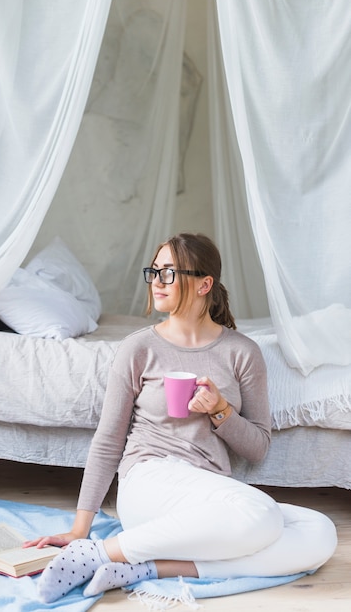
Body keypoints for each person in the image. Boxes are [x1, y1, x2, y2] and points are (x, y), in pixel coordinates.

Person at [24, 232, 337, 604]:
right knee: (262, 514)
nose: (156, 282)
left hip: (208, 496)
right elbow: (108, 442)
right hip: (149, 480)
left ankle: (144, 566)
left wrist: (220, 410)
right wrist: (80, 528)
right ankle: (97, 552)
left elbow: (258, 450)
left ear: (205, 284)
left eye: (169, 272)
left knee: (319, 531)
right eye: (154, 271)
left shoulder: (242, 353)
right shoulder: (138, 348)